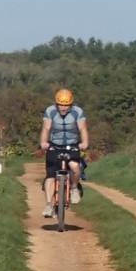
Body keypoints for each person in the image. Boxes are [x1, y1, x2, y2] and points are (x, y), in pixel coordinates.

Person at [39, 88, 89, 217]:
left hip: (72, 145)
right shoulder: (50, 111)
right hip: (54, 145)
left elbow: (83, 128)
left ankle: (73, 188)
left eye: (66, 105)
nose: (63, 108)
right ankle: (49, 205)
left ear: (71, 104)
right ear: (56, 103)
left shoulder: (78, 112)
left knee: (75, 167)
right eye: (61, 104)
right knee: (50, 175)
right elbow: (46, 128)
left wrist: (84, 143)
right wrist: (44, 142)